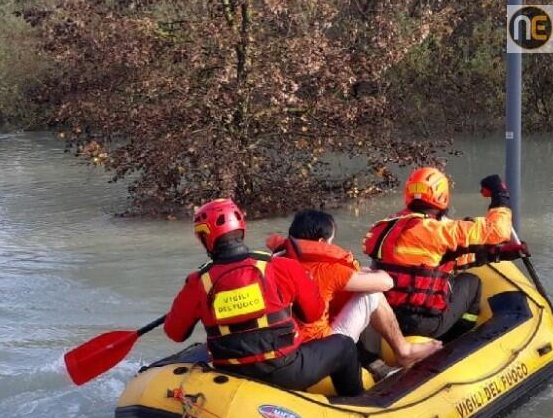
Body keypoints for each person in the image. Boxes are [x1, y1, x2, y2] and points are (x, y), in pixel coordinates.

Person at [164, 199, 365, 396]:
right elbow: (313, 314)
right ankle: (357, 409)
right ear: (242, 229)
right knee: (344, 345)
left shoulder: (198, 282)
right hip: (286, 370)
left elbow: (175, 333)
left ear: (204, 239)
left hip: (230, 374)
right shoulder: (282, 266)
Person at [267, 210, 441, 367]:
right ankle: (404, 351)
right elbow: (387, 282)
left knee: (358, 281)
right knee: (372, 295)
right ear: (321, 242)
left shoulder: (276, 260)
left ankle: (369, 358)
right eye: (331, 241)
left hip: (290, 343)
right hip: (322, 346)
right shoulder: (328, 270)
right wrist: (372, 272)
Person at [362, 167, 513, 342]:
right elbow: (498, 231)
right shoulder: (438, 231)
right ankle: (456, 340)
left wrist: (497, 255)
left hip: (386, 317)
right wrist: (500, 194)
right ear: (442, 197)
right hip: (424, 323)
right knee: (472, 282)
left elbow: (434, 261)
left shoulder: (385, 226)